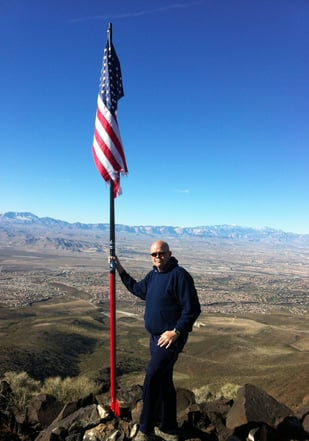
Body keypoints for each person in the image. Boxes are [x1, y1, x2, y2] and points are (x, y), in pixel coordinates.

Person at [111, 240, 201, 441]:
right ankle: (168, 428)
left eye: (161, 253)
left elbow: (192, 309)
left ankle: (145, 429)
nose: (158, 257)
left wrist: (176, 331)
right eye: (154, 254)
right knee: (164, 382)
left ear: (169, 254)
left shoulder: (180, 276)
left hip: (169, 340)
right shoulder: (153, 276)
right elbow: (137, 289)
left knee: (152, 376)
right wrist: (119, 269)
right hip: (154, 339)